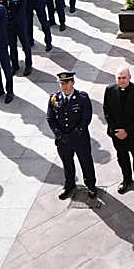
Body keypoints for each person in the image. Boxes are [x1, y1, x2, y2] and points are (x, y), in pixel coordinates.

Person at [48, 71, 97, 200]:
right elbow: (50, 118)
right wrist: (59, 134)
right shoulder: (54, 98)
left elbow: (86, 118)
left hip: (80, 139)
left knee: (86, 163)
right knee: (67, 163)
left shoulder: (82, 98)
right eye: (61, 83)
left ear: (72, 83)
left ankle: (91, 185)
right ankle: (69, 185)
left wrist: (75, 134)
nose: (63, 86)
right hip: (63, 140)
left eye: (66, 83)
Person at [103, 67, 134, 193]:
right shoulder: (110, 90)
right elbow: (107, 112)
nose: (121, 80)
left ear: (129, 77)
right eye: (119, 78)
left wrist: (126, 131)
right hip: (117, 133)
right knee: (122, 157)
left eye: (124, 78)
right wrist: (117, 130)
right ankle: (126, 179)